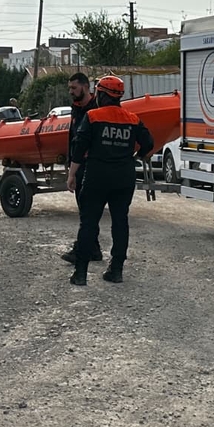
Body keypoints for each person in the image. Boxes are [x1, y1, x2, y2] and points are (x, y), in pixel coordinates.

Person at [66, 75, 153, 285]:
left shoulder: (93, 116)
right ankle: (116, 270)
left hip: (97, 176)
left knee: (88, 223)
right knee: (120, 222)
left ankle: (80, 273)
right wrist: (135, 157)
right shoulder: (132, 119)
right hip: (124, 178)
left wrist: (71, 174)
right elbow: (149, 143)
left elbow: (79, 147)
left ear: (102, 95)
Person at [61, 72, 101, 264]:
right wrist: (71, 167)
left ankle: (82, 250)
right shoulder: (76, 109)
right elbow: (73, 139)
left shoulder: (96, 109)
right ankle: (94, 249)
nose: (71, 92)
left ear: (85, 87)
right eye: (69, 88)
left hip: (92, 166)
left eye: (74, 88)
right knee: (85, 210)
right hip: (79, 165)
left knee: (87, 211)